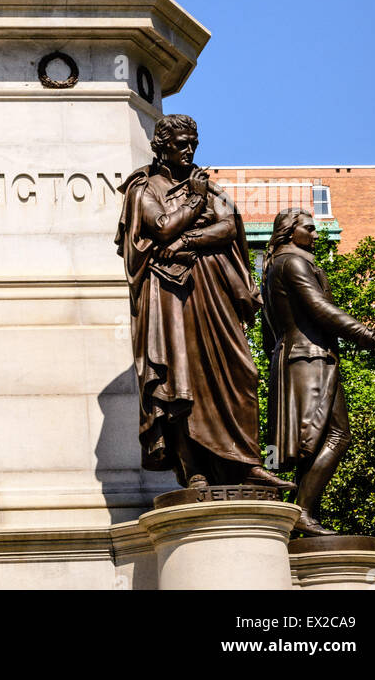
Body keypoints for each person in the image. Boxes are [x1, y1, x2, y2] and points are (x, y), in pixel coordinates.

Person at [116, 114, 288, 490]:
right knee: (179, 379)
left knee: (240, 369)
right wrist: (194, 205)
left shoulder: (206, 185)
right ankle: (192, 469)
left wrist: (186, 241)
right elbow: (160, 227)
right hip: (169, 294)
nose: (190, 150)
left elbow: (228, 226)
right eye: (182, 144)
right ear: (162, 146)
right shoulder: (144, 187)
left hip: (213, 288)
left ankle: (245, 462)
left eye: (193, 143)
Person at [262, 208, 375, 535]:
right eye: (309, 229)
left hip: (299, 359)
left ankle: (300, 513)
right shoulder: (293, 263)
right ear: (289, 231)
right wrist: (374, 338)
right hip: (308, 360)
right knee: (333, 437)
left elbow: (268, 330)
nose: (315, 235)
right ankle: (300, 511)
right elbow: (320, 309)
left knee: (318, 441)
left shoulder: (277, 266)